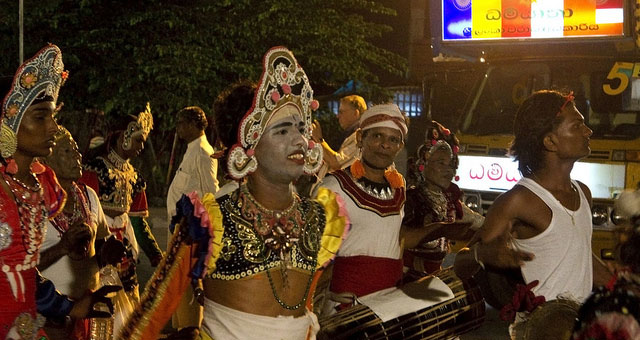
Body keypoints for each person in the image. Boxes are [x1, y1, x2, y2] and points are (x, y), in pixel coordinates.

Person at [119, 46, 348, 340]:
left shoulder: (319, 217)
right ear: (247, 146)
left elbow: (302, 308)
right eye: (282, 131)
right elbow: (150, 315)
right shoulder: (211, 220)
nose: (300, 141)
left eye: (302, 128)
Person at [454, 90, 612, 338]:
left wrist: (621, 285)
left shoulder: (583, 192)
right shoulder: (519, 200)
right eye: (578, 125)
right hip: (538, 331)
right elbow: (461, 266)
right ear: (550, 141)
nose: (588, 131)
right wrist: (483, 253)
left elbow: (580, 255)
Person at [0, 44, 118, 339]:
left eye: (53, 116)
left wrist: (71, 307)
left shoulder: (35, 186)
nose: (53, 127)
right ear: (7, 124)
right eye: (41, 117)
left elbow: (23, 273)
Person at [79, 104, 162, 334]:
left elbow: (137, 221)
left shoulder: (135, 177)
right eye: (138, 140)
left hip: (124, 250)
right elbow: (84, 214)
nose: (141, 147)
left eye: (143, 141)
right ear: (122, 137)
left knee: (129, 311)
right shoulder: (94, 169)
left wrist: (155, 253)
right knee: (101, 309)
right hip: (98, 248)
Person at [39, 125, 126, 339]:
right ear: (46, 160)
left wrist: (106, 257)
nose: (77, 155)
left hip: (88, 312)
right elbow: (18, 269)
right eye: (67, 151)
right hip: (50, 316)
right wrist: (61, 248)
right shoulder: (34, 201)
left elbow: (98, 250)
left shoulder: (89, 196)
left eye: (77, 150)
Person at [402, 120, 483, 275]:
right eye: (441, 163)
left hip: (435, 280)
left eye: (451, 165)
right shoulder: (410, 201)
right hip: (407, 282)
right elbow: (397, 242)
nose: (448, 171)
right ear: (423, 164)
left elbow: (480, 224)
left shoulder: (450, 202)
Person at [166, 106, 219, 330]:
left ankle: (188, 332)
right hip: (180, 231)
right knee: (177, 293)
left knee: (187, 293)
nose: (178, 128)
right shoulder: (192, 149)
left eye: (181, 123)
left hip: (191, 234)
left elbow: (211, 192)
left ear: (193, 124)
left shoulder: (203, 153)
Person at [311, 95, 367, 177]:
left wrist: (319, 140)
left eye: (341, 112)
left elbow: (337, 163)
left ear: (355, 113)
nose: (338, 116)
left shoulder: (358, 137)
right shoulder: (350, 134)